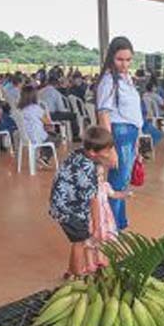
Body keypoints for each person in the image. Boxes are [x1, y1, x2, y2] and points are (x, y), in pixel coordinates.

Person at [49, 126, 119, 277]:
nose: (109, 153)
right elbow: (93, 199)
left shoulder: (79, 152)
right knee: (80, 242)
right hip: (69, 210)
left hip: (60, 202)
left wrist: (109, 155)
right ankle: (77, 276)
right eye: (107, 151)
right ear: (93, 152)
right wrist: (96, 223)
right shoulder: (88, 169)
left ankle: (70, 270)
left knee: (78, 240)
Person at [96, 37, 142, 230]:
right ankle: (110, 230)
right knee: (117, 183)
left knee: (122, 182)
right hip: (119, 134)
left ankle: (119, 223)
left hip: (130, 133)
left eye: (128, 60)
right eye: (120, 59)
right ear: (111, 58)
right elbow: (103, 114)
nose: (124, 64)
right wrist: (110, 147)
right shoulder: (109, 81)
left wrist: (137, 139)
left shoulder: (126, 79)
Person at [17, 85, 60, 165]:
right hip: (38, 136)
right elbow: (47, 122)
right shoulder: (36, 108)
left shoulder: (20, 109)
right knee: (57, 138)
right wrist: (50, 126)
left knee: (49, 136)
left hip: (26, 136)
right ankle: (44, 157)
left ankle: (41, 156)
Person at [40, 72, 79, 141]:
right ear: (56, 84)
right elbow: (60, 108)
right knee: (73, 115)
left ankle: (57, 131)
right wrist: (67, 111)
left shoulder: (40, 91)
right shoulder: (55, 93)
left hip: (41, 115)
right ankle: (75, 136)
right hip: (51, 115)